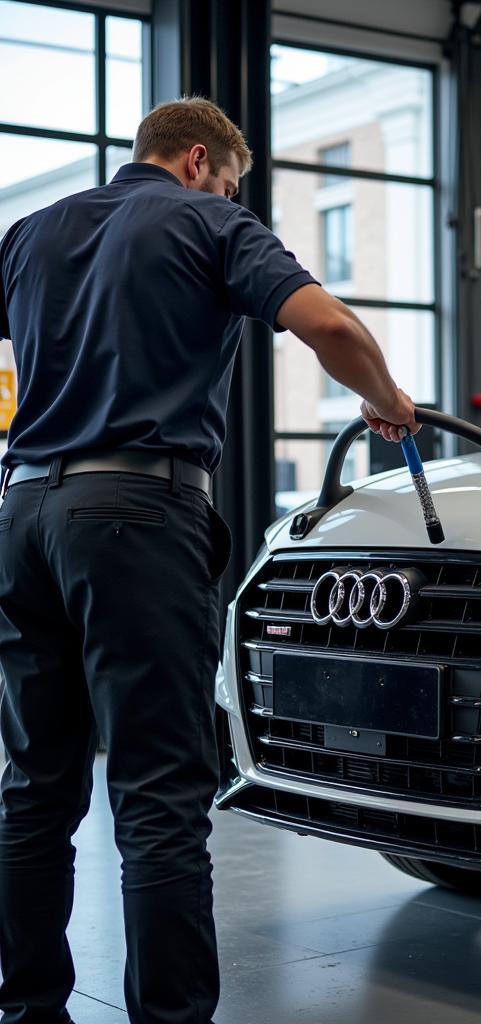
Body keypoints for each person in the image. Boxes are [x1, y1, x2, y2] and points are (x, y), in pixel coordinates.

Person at [0, 97, 413, 1024]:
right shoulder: (210, 219)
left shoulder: (32, 230)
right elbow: (331, 328)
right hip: (137, 517)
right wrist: (386, 398)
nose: (231, 194)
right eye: (230, 180)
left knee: (34, 788)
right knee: (158, 792)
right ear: (198, 162)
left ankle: (27, 1014)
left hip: (23, 513)